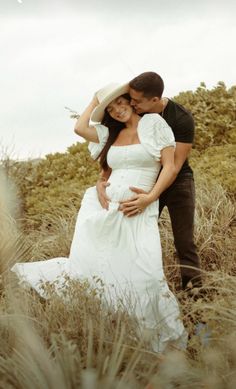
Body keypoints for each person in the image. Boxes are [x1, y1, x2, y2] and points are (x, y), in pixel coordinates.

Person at [11, 83, 187, 353]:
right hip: (104, 207)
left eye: (120, 102)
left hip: (138, 207)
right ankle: (110, 327)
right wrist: (97, 98)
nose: (117, 109)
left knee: (146, 273)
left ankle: (151, 335)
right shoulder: (109, 133)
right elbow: (80, 128)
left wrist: (150, 197)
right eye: (111, 107)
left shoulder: (153, 124)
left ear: (131, 100)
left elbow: (170, 166)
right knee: (98, 268)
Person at [96, 72, 202, 290]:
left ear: (154, 100)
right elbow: (121, 153)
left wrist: (151, 197)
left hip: (177, 181)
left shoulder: (181, 118)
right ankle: (135, 287)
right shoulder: (136, 111)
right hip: (146, 180)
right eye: (131, 99)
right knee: (136, 238)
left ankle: (196, 295)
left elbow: (174, 166)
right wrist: (102, 179)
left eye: (137, 101)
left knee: (184, 241)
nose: (132, 104)